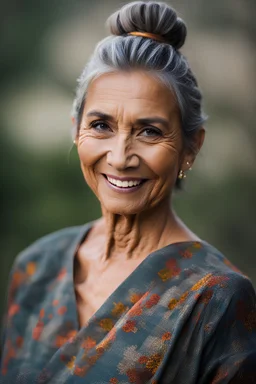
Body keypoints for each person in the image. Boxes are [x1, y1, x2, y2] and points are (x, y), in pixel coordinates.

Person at [1, 1, 256, 383]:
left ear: (191, 147)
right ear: (76, 129)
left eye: (150, 131)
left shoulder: (215, 299)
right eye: (101, 125)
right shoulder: (37, 267)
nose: (120, 157)